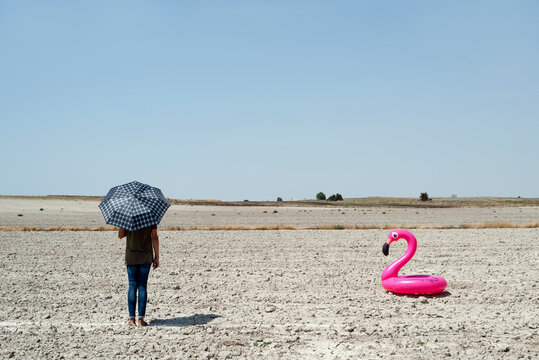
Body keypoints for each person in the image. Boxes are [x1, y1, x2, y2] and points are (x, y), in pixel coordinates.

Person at [118, 225, 159, 326]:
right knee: (142, 285)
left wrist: (121, 226)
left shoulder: (127, 218)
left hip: (131, 257)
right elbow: (154, 237)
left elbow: (120, 235)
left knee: (132, 285)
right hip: (145, 257)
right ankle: (141, 319)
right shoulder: (150, 217)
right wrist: (157, 256)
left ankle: (132, 320)